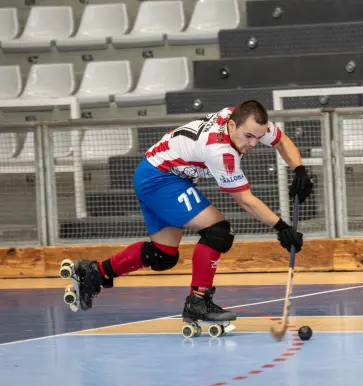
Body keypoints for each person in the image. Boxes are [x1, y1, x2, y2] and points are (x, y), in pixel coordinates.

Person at [70, 100, 313, 325]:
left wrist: (300, 169)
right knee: (219, 232)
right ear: (231, 125)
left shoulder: (242, 119)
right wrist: (281, 227)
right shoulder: (220, 151)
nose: (251, 144)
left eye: (257, 138)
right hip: (160, 179)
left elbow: (282, 141)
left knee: (163, 255)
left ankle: (94, 273)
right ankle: (198, 301)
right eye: (247, 136)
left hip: (156, 172)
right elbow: (245, 200)